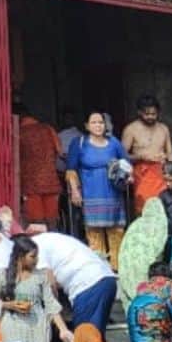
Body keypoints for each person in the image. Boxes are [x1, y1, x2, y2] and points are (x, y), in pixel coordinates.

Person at [0, 235, 73, 342]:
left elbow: (51, 304)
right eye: (33, 256)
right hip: (12, 327)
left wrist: (63, 330)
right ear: (20, 256)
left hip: (38, 328)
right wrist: (9, 305)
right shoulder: (1, 275)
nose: (36, 260)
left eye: (37, 256)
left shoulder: (40, 276)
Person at [65, 112, 129, 265]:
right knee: (94, 235)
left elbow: (126, 163)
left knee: (116, 233)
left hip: (113, 195)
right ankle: (99, 268)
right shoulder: (79, 143)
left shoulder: (114, 142)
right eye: (94, 122)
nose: (98, 125)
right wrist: (75, 191)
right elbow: (71, 170)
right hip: (91, 195)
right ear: (87, 126)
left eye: (101, 122)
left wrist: (127, 175)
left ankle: (117, 269)